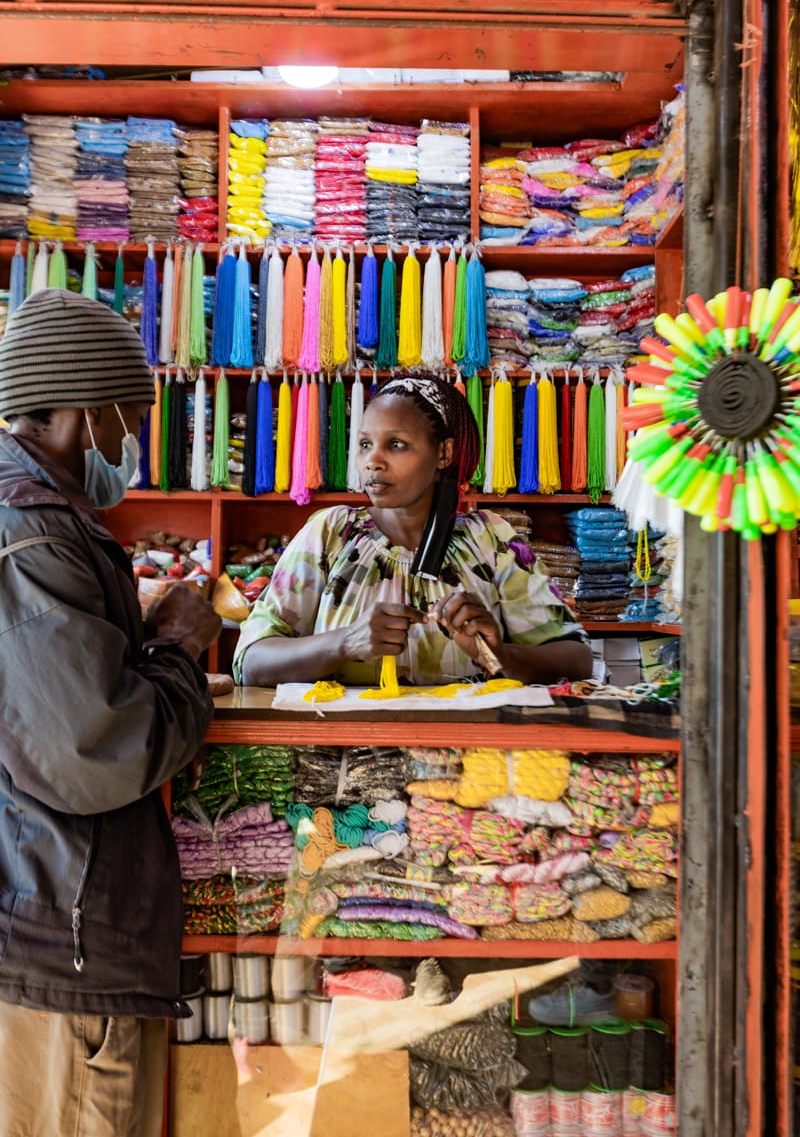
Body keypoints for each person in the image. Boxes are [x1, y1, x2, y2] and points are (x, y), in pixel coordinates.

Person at [0, 288, 222, 1137]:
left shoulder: (43, 523)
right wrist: (175, 648)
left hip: (48, 918)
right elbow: (93, 751)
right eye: (129, 414)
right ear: (82, 412)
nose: (130, 437)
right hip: (63, 932)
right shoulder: (32, 532)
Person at [235, 372, 592, 687]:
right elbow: (251, 662)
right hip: (338, 756)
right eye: (364, 444)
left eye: (396, 444)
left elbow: (576, 660)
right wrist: (344, 642)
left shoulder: (492, 540)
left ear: (444, 454)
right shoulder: (330, 534)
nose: (372, 461)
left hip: (468, 758)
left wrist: (496, 653)